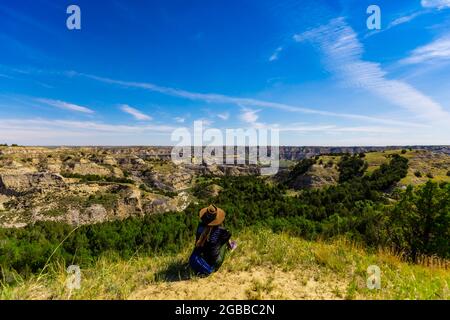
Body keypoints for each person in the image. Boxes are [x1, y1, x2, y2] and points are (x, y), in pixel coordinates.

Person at [189, 204, 237, 276]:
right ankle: (231, 247)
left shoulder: (200, 227)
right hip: (214, 262)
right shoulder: (221, 230)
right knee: (224, 239)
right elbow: (225, 237)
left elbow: (197, 242)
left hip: (203, 257)